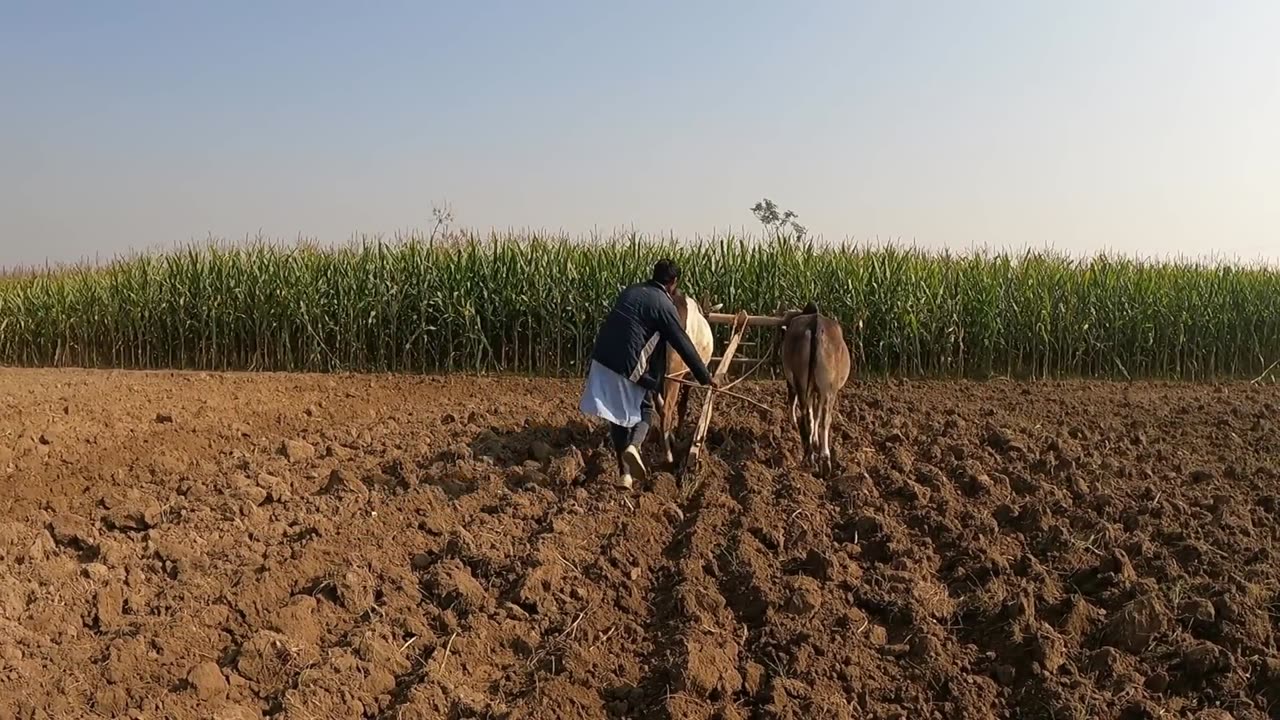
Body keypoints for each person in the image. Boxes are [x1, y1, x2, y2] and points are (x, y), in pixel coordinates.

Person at [580, 259, 718, 489]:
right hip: (629, 364)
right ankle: (635, 445)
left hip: (601, 358)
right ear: (673, 283)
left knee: (616, 417)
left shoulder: (631, 291)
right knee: (647, 409)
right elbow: (682, 342)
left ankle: (624, 475)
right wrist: (705, 376)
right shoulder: (664, 305)